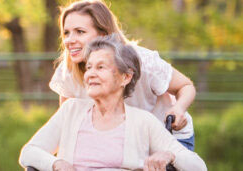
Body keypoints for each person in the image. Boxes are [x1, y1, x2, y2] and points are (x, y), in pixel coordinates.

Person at [20, 34, 207, 171]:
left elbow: (198, 166)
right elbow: (28, 152)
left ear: (125, 77)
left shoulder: (143, 121)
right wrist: (55, 163)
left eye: (101, 67)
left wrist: (170, 156)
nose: (90, 73)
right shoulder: (71, 111)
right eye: (89, 67)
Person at [49, 0, 197, 150]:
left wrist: (179, 109)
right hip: (120, 141)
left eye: (80, 32)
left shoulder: (142, 61)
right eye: (66, 33)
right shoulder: (68, 71)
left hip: (167, 137)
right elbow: (66, 123)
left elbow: (186, 86)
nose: (69, 40)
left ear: (102, 34)